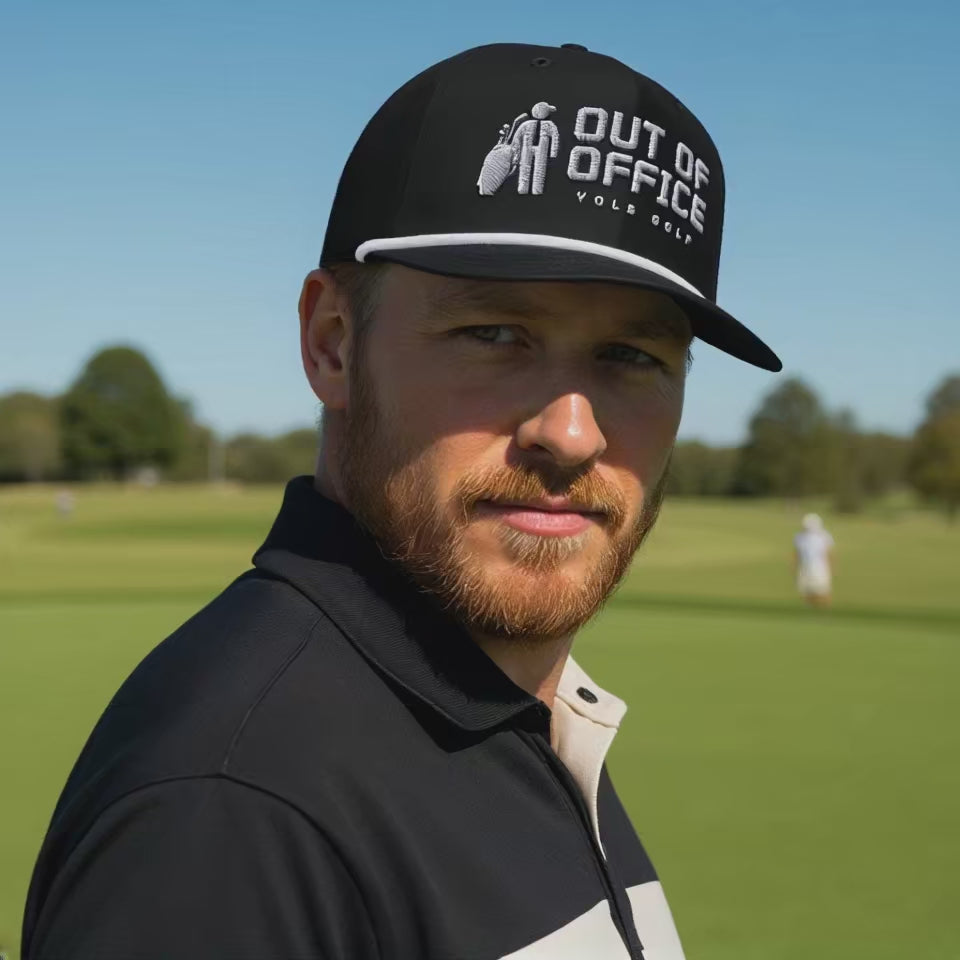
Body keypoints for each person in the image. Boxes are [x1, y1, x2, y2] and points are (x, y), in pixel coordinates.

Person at [22, 43, 781, 960]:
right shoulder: (229, 811)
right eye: (494, 332)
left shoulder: (518, 706)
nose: (573, 432)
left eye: (634, 356)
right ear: (333, 343)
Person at [794, 513, 835, 607]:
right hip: (805, 567)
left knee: (822, 590)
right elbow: (797, 553)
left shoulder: (824, 536)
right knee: (807, 591)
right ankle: (810, 611)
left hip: (820, 567)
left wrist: (831, 567)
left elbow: (829, 553)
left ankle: (824, 610)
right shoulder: (800, 537)